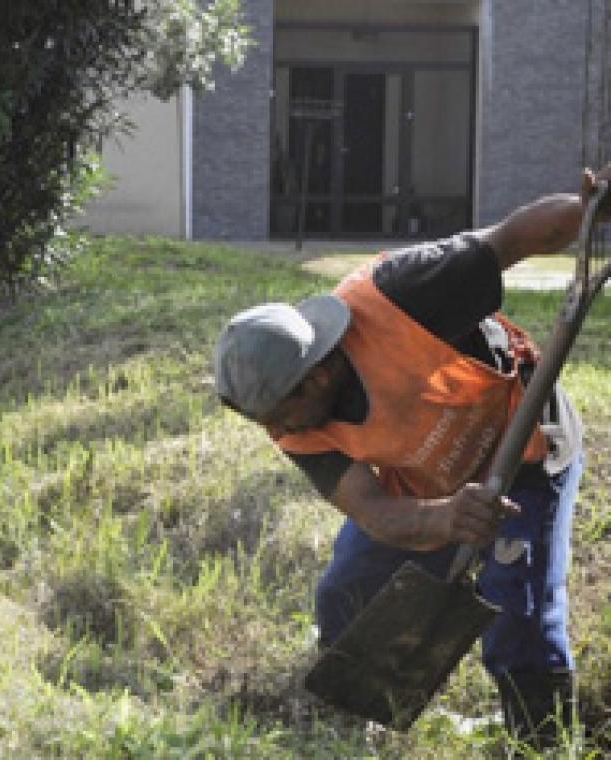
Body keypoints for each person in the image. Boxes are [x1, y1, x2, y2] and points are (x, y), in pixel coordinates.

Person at [213, 164, 611, 750]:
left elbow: (513, 238)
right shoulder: (289, 418)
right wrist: (443, 518)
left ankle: (542, 742)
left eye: (278, 415)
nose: (275, 432)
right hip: (429, 479)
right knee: (346, 591)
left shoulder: (404, 293)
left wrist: (591, 209)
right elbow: (371, 510)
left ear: (316, 376)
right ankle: (353, 725)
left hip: (526, 446)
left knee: (518, 608)